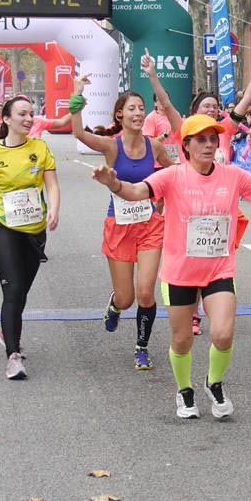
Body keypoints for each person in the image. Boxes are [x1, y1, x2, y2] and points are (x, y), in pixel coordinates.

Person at [93, 114, 251, 418]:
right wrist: (114, 183)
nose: (209, 145)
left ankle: (215, 382)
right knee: (182, 340)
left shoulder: (232, 175)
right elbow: (136, 193)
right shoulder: (172, 177)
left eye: (213, 139)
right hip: (180, 273)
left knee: (222, 334)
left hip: (218, 271)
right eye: (201, 140)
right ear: (186, 145)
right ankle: (185, 391)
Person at [145, 48, 251, 335]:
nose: (212, 109)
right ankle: (191, 311)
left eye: (215, 106)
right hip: (188, 206)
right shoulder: (185, 129)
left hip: (220, 208)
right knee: (189, 259)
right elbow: (166, 104)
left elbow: (245, 101)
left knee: (216, 256)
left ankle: (215, 300)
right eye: (206, 106)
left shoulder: (225, 129)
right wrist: (153, 76)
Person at [70, 72, 175, 371]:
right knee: (127, 298)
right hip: (119, 225)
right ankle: (115, 305)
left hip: (150, 226)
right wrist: (77, 94)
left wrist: (164, 205)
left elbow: (172, 174)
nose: (139, 113)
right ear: (120, 114)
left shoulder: (154, 146)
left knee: (145, 292)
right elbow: (78, 133)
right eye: (132, 108)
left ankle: (141, 347)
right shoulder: (111, 146)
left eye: (141, 108)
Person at [0, 96, 60, 379]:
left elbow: (52, 184)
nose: (29, 118)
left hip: (34, 230)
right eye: (22, 114)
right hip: (2, 228)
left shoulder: (40, 148)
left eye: (32, 113)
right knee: (13, 287)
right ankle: (13, 355)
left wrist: (54, 209)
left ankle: (8, 330)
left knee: (21, 293)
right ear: (6, 119)